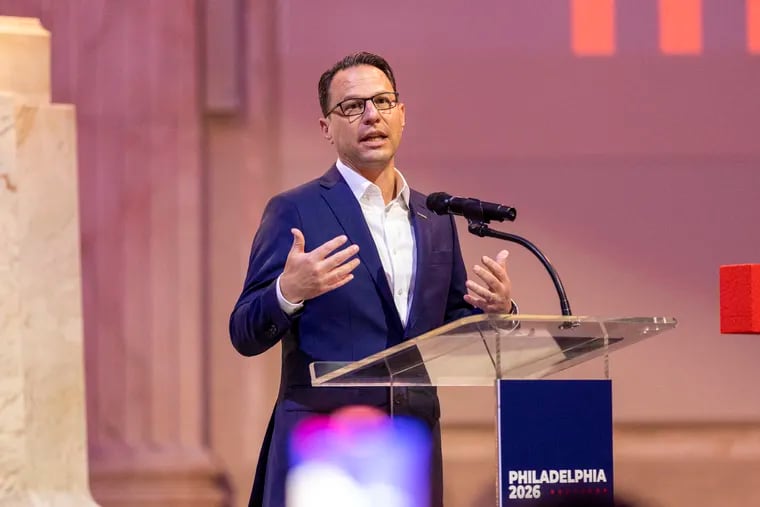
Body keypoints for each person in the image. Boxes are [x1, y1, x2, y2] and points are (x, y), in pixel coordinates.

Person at [229, 51, 515, 507]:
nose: (371, 116)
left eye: (382, 102)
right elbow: (244, 331)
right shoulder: (296, 210)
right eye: (351, 106)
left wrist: (497, 310)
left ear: (402, 115)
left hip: (410, 442)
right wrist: (288, 292)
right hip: (326, 447)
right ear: (326, 126)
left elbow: (453, 320)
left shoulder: (435, 216)